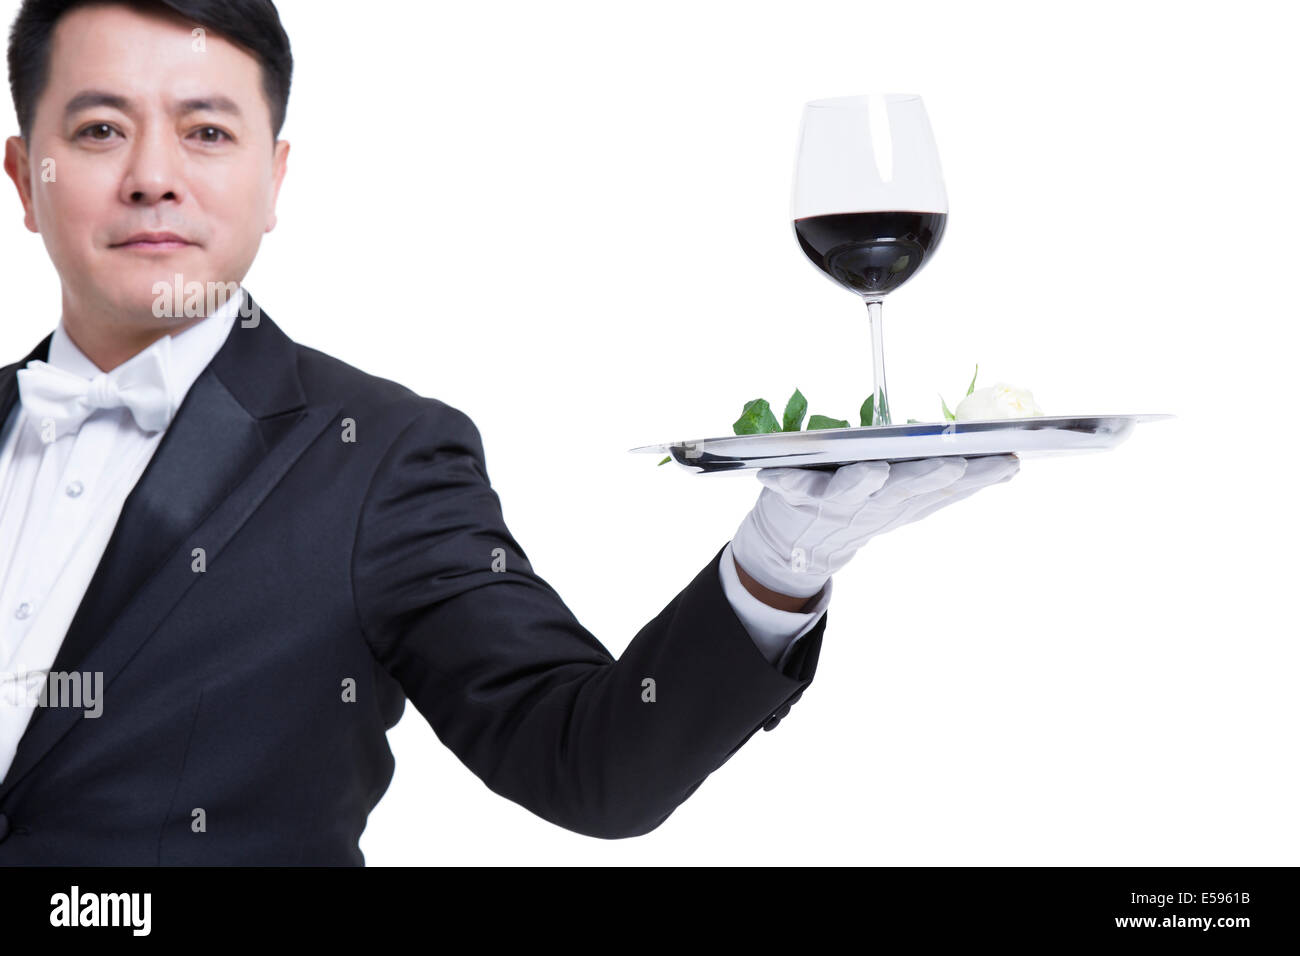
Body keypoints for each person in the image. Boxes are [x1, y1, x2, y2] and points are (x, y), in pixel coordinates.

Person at [0, 0, 1019, 864]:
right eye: (97, 131)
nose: (151, 176)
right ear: (22, 176)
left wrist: (781, 559)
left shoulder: (379, 456)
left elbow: (589, 763)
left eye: (206, 132)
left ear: (274, 179)